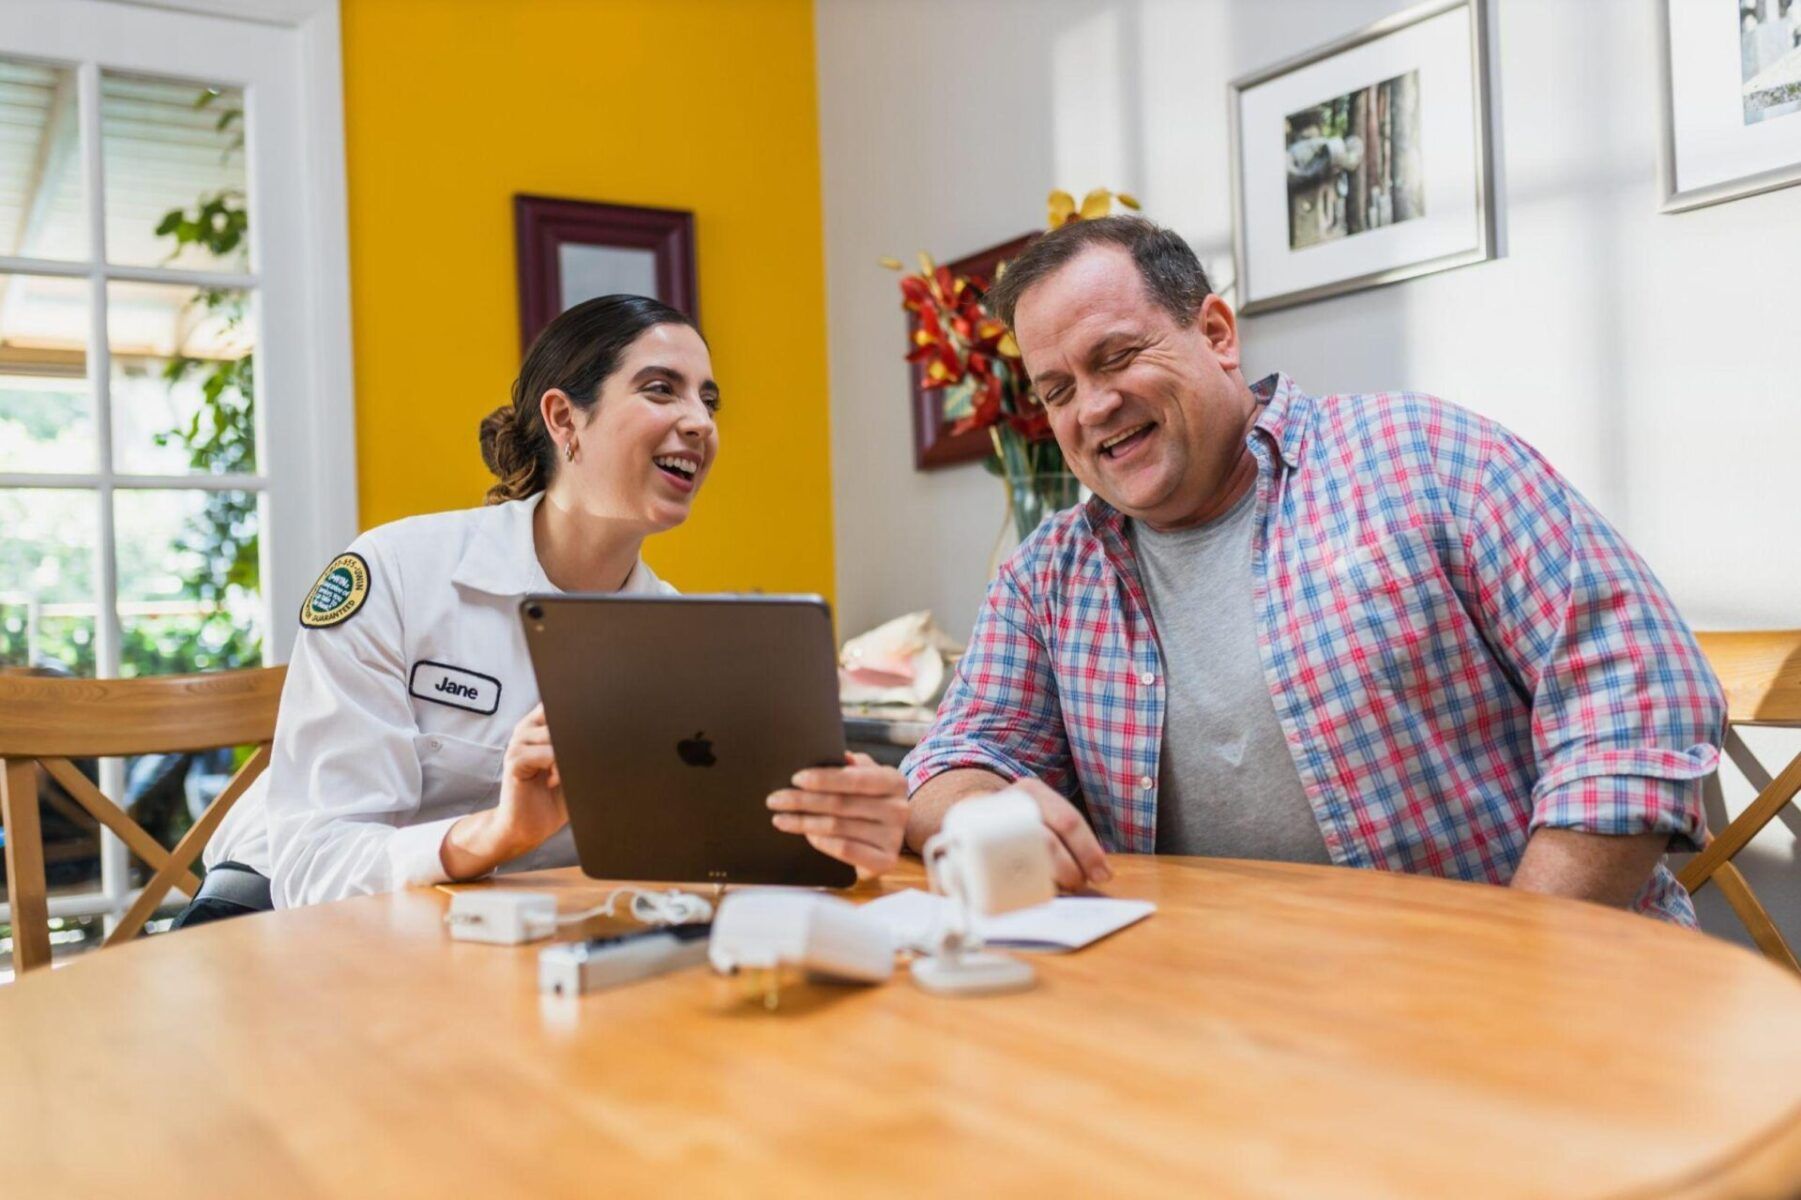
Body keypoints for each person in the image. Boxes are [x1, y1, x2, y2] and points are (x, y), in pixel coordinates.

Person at [901, 216, 1726, 923]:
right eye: (1055, 390)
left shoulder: (1426, 457)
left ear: (1216, 334)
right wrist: (979, 807)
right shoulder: (1047, 575)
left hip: (1528, 997)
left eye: (1115, 357)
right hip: (1219, 1020)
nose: (1090, 408)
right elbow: (949, 759)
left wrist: (1522, 958)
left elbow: (1638, 698)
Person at [181, 295, 907, 922]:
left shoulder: (686, 637)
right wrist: (495, 834)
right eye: (661, 390)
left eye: (708, 400)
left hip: (512, 941)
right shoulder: (395, 574)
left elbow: (692, 856)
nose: (699, 423)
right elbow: (312, 865)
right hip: (292, 927)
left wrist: (832, 832)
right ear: (564, 419)